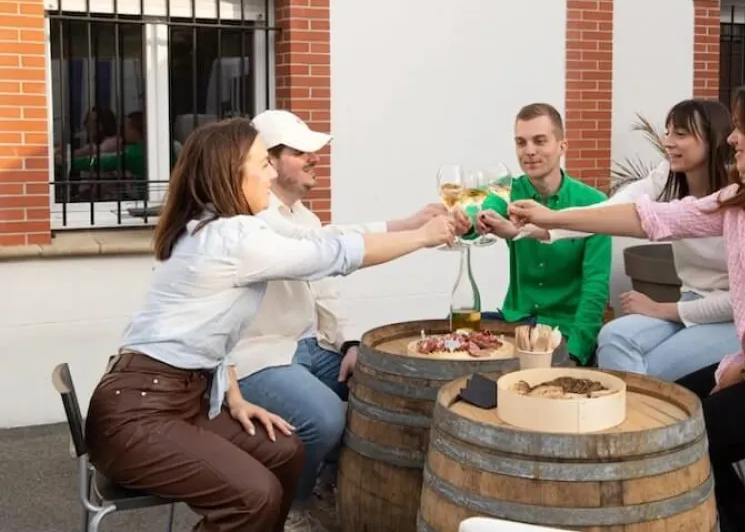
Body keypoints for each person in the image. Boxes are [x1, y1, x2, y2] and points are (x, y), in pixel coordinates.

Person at [509, 76, 745, 531]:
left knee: (686, 434)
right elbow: (654, 218)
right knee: (670, 414)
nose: (732, 137)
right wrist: (550, 217)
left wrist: (739, 369)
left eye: (742, 127)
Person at [83, 118, 458, 532]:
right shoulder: (231, 237)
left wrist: (236, 397)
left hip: (183, 401)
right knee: (253, 496)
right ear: (232, 171)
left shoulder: (225, 226)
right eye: (263, 163)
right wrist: (424, 236)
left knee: (285, 451)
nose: (273, 173)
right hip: (138, 416)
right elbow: (333, 255)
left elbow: (212, 336)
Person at [232, 110, 459, 530]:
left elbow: (327, 285)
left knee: (387, 388)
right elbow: (328, 247)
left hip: (307, 346)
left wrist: (350, 342)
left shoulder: (303, 216)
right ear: (270, 161)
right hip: (258, 358)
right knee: (325, 419)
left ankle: (334, 481)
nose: (314, 159)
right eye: (301, 152)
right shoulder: (252, 219)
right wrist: (417, 234)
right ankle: (290, 509)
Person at [514, 99, 740, 380]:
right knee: (613, 337)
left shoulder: (740, 197)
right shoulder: (667, 176)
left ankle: (644, 419)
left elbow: (741, 302)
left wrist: (663, 309)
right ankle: (632, 420)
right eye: (668, 132)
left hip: (732, 316)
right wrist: (542, 227)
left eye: (680, 134)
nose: (668, 142)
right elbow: (608, 213)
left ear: (715, 139)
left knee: (651, 369)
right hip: (689, 301)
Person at [475, 102, 612, 366]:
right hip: (516, 323)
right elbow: (483, 211)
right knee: (456, 332)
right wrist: (475, 220)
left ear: (562, 145)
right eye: (521, 142)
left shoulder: (594, 203)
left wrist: (576, 352)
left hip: (564, 331)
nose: (529, 151)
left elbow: (595, 286)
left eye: (539, 141)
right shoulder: (508, 191)